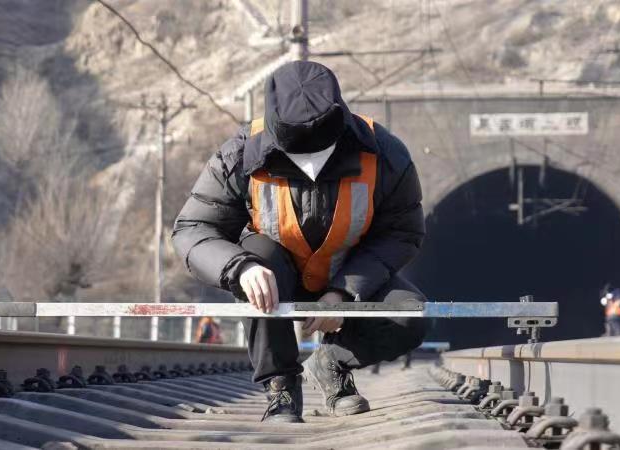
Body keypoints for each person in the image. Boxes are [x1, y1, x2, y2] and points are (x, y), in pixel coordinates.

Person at [172, 61, 428, 423]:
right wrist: (239, 268)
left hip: (352, 272)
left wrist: (345, 292)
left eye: (320, 156)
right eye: (298, 158)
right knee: (257, 256)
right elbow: (193, 228)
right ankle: (280, 385)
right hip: (277, 275)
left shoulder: (383, 153)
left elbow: (402, 232)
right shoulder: (241, 154)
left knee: (410, 314)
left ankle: (331, 362)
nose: (310, 166)